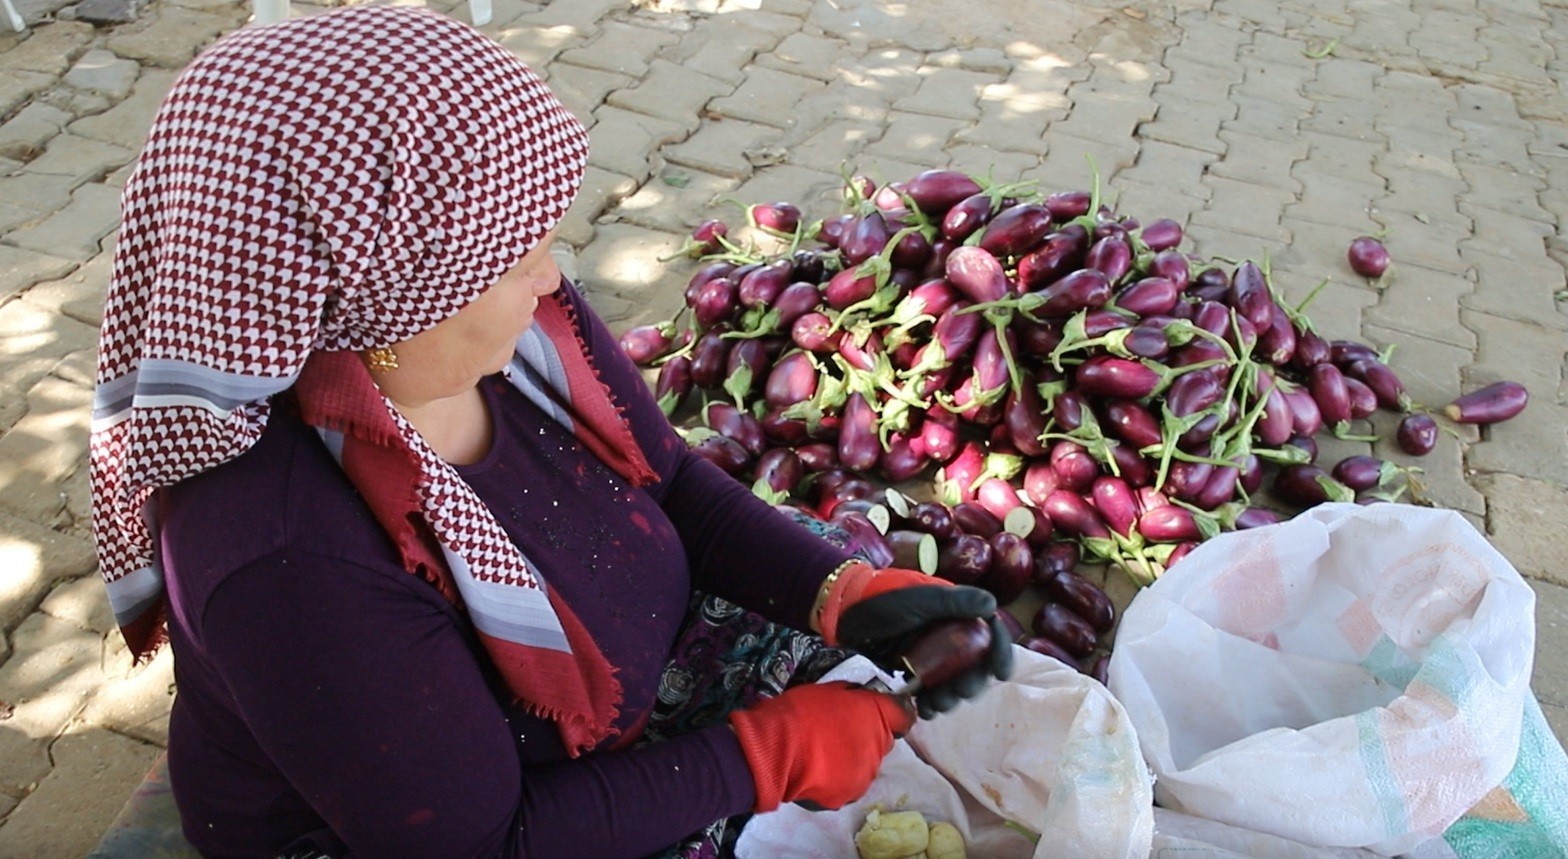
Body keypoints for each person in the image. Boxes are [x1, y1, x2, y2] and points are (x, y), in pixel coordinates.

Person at [89, 6, 1012, 857]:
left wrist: (837, 592)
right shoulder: (283, 553)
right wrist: (768, 755)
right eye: (513, 254)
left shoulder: (513, 336)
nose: (550, 276)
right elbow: (483, 842)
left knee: (832, 547)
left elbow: (673, 483)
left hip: (601, 702)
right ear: (386, 294)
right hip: (441, 833)